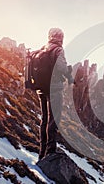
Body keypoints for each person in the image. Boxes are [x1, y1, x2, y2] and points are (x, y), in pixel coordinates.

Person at [37, 28, 74, 160]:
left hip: (41, 88)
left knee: (44, 119)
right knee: (54, 119)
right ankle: (50, 150)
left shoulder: (44, 48)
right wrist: (70, 77)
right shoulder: (58, 49)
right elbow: (61, 67)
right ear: (61, 37)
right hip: (54, 89)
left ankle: (42, 152)